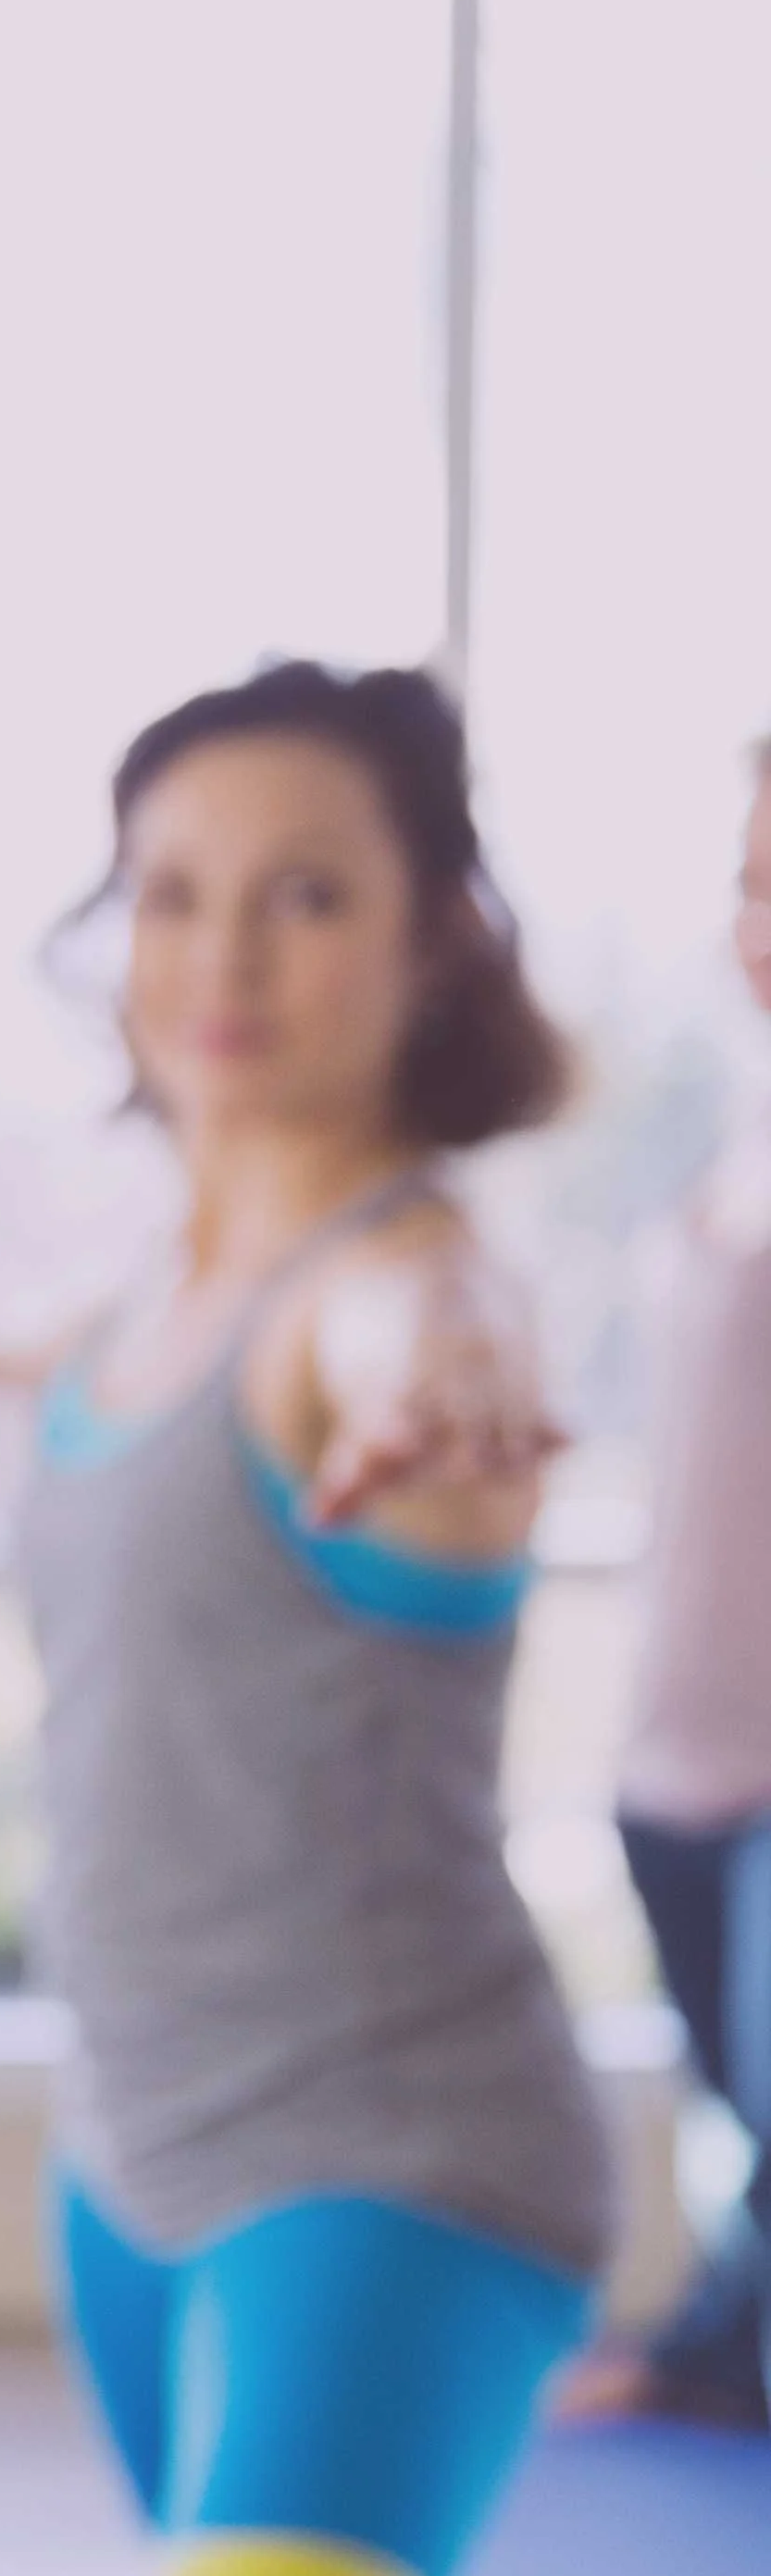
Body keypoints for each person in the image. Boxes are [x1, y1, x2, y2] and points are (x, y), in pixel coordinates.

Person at [4, 663, 607, 2576]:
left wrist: (449, 1380)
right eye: (172, 890)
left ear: (433, 940)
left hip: (388, 2162)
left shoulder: (402, 1289)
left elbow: (421, 1348)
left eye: (308, 891)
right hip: (135, 2156)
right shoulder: (167, 1286)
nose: (224, 953)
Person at [559, 733, 771, 2433]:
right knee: (736, 2112)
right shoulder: (731, 1143)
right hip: (681, 1730)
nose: (755, 926)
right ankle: (719, 2350)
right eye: (751, 884)